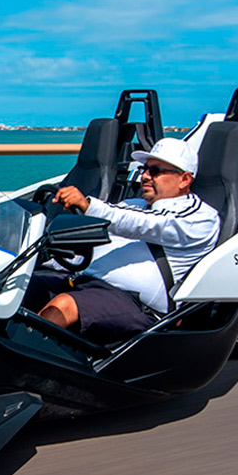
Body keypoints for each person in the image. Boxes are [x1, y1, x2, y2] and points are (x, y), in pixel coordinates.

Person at [24, 137, 220, 342]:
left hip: (135, 302)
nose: (145, 176)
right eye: (145, 169)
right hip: (84, 282)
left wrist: (88, 206)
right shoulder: (133, 204)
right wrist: (48, 257)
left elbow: (144, 224)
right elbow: (99, 245)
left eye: (155, 171)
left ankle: (23, 364)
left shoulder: (199, 218)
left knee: (63, 306)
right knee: (17, 285)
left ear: (184, 180)